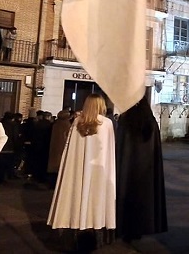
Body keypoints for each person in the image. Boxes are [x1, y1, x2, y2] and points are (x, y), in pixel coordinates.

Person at [47, 93, 116, 250]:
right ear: (101, 105)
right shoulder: (106, 124)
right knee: (95, 202)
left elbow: (69, 151)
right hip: (99, 172)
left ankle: (75, 230)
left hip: (78, 171)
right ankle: (94, 233)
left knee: (78, 197)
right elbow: (109, 151)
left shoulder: (77, 122)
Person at [116, 97, 167, 242]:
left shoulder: (125, 122)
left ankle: (125, 227)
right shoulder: (151, 123)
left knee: (126, 196)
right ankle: (140, 228)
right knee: (144, 198)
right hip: (146, 172)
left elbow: (120, 146)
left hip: (127, 170)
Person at [46, 110, 72, 189]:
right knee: (59, 167)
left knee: (53, 167)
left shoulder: (56, 124)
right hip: (62, 148)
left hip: (54, 148)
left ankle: (51, 183)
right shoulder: (67, 125)